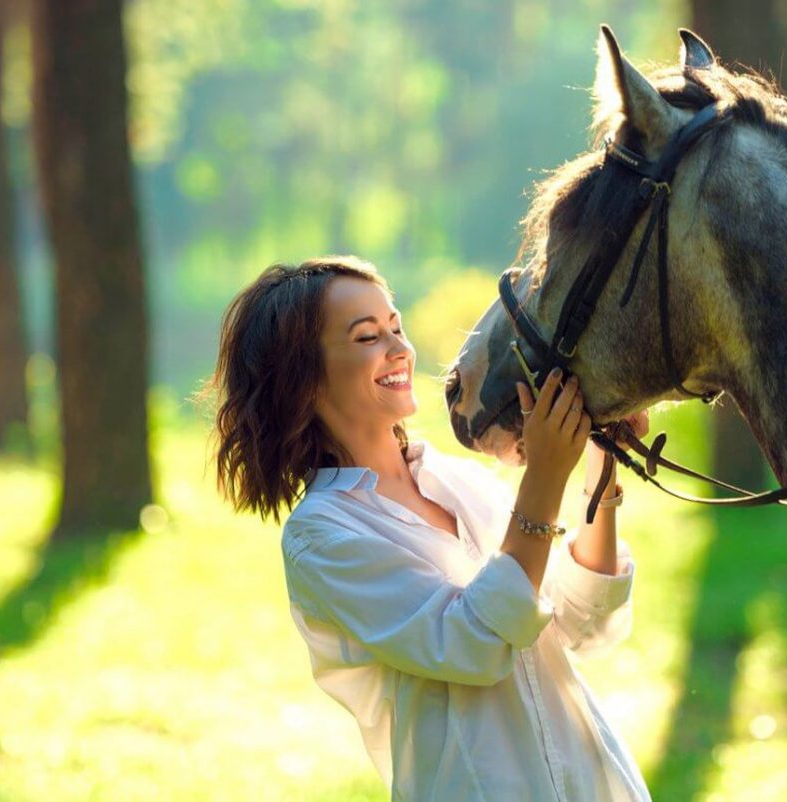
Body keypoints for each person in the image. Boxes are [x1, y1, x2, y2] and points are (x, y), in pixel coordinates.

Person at [209, 255, 651, 801]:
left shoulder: (457, 478)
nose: (399, 350)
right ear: (303, 379)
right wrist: (544, 476)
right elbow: (474, 643)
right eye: (367, 336)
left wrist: (598, 473)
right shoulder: (322, 536)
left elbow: (586, 624)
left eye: (396, 327)